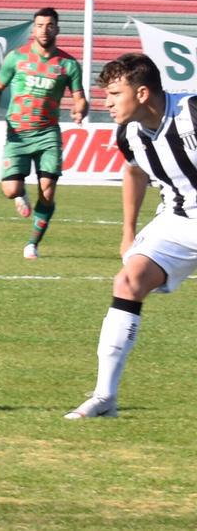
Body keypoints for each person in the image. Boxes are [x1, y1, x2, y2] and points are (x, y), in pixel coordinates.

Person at [64, 53, 197, 419]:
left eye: (114, 94)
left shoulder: (192, 113)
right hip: (179, 221)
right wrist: (128, 231)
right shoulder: (129, 132)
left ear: (141, 93)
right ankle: (105, 398)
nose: (105, 103)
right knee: (128, 281)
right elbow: (135, 172)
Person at [0, 7, 87, 259]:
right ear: (34, 29)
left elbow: (80, 97)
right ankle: (21, 194)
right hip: (18, 133)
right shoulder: (16, 58)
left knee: (48, 189)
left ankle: (33, 243)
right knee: (10, 190)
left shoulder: (68, 64)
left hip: (48, 133)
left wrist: (79, 110)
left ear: (57, 29)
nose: (44, 30)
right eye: (40, 25)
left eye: (49, 25)